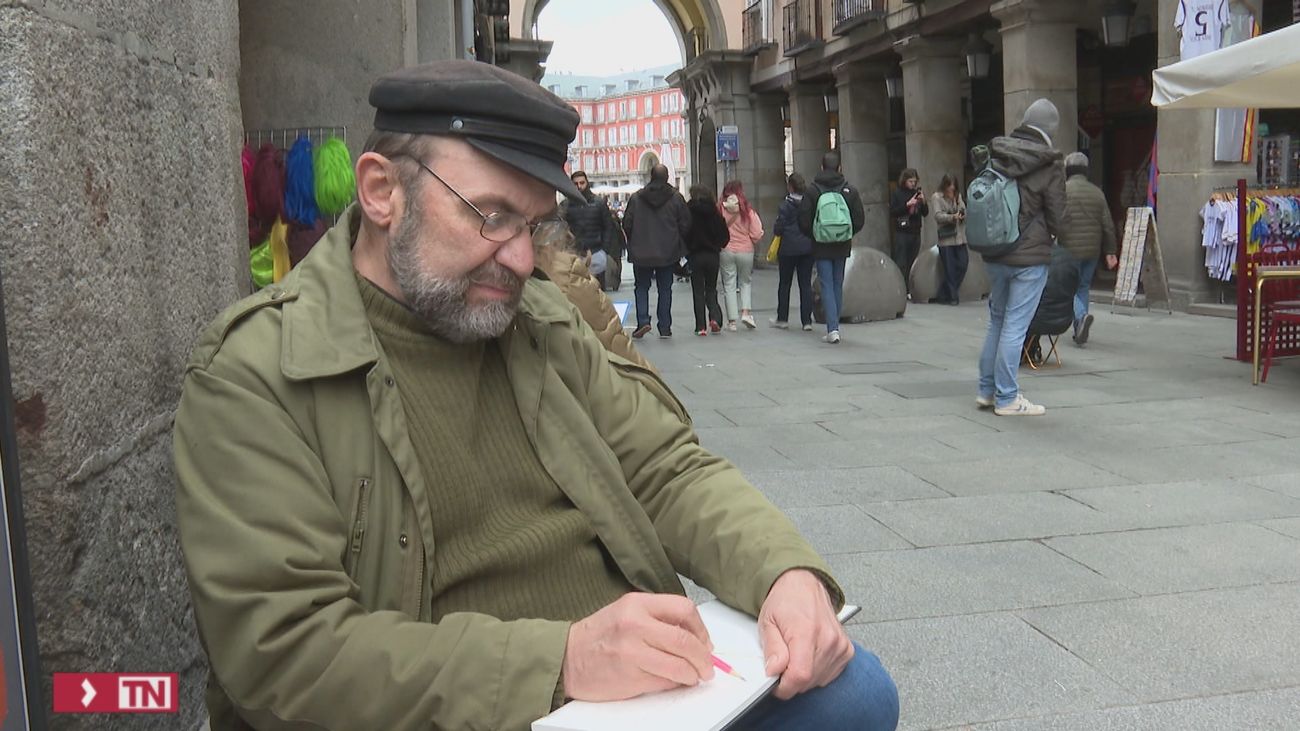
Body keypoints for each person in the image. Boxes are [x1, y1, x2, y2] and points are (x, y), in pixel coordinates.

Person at [173, 59, 899, 731]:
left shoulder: (541, 320)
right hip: (474, 704)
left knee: (856, 692)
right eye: (490, 216)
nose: (521, 257)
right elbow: (287, 653)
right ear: (382, 191)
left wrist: (783, 570)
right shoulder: (256, 375)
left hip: (640, 693)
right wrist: (561, 662)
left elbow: (666, 466)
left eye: (534, 224)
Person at [976, 98, 1066, 416]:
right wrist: (1057, 237)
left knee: (997, 323)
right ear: (1050, 130)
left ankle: (986, 391)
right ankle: (1007, 398)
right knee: (1016, 326)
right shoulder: (1050, 162)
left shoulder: (998, 152)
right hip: (1029, 257)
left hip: (996, 250)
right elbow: (1057, 213)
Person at [799, 151, 866, 344]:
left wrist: (815, 234)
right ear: (839, 168)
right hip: (842, 244)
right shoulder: (849, 190)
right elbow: (859, 219)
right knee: (837, 283)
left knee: (826, 283)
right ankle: (834, 325)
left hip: (821, 244)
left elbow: (803, 219)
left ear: (821, 167)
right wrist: (846, 233)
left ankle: (832, 329)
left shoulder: (812, 190)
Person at [624, 164, 691, 338]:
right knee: (665, 288)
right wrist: (677, 241)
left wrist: (634, 241)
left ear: (650, 176)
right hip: (667, 251)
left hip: (641, 252)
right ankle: (665, 326)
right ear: (667, 177)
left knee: (641, 287)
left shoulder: (636, 198)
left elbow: (627, 224)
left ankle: (643, 321)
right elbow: (686, 224)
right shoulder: (676, 198)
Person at [1058, 152, 1118, 345]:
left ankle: (1081, 316)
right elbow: (1107, 224)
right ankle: (1079, 328)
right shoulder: (1097, 192)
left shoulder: (1063, 191)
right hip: (1092, 250)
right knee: (1083, 286)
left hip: (1069, 249)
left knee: (1068, 289)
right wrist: (1110, 251)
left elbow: (1055, 219)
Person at [770, 172, 816, 331]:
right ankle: (807, 321)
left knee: (785, 283)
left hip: (788, 249)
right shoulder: (809, 204)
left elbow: (779, 228)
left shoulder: (785, 205)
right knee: (805, 284)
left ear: (790, 186)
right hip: (807, 248)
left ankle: (782, 319)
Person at [559, 170, 618, 289]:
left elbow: (608, 226)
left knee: (598, 290)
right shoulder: (565, 205)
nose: (579, 186)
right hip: (574, 254)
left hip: (596, 251)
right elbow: (560, 227)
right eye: (576, 184)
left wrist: (604, 250)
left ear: (587, 183)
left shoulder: (599, 203)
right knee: (577, 291)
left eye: (582, 183)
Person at [718, 180, 763, 331]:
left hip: (726, 250)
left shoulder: (721, 210)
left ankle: (731, 322)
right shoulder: (747, 211)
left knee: (729, 284)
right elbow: (756, 234)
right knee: (745, 282)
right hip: (745, 251)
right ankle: (746, 312)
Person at [685, 184, 728, 336]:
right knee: (711, 289)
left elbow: (684, 233)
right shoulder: (715, 213)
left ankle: (701, 327)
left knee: (698, 291)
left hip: (695, 255)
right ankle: (715, 318)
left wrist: (687, 249)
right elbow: (725, 236)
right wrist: (717, 245)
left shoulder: (688, 212)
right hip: (712, 256)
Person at [930, 174, 968, 306]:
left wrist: (962, 215)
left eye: (953, 187)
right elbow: (938, 216)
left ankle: (943, 293)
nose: (951, 189)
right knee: (950, 269)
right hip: (946, 239)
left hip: (960, 238)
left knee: (963, 264)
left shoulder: (958, 196)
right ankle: (952, 297)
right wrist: (952, 217)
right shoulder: (937, 197)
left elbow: (964, 209)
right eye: (949, 187)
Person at [889, 168, 928, 291]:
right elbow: (893, 212)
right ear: (905, 180)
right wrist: (907, 204)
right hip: (902, 231)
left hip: (915, 231)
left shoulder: (916, 193)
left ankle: (910, 288)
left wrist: (923, 201)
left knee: (912, 261)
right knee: (902, 262)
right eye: (910, 181)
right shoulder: (897, 193)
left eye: (914, 181)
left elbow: (925, 213)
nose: (913, 184)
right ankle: (902, 289)